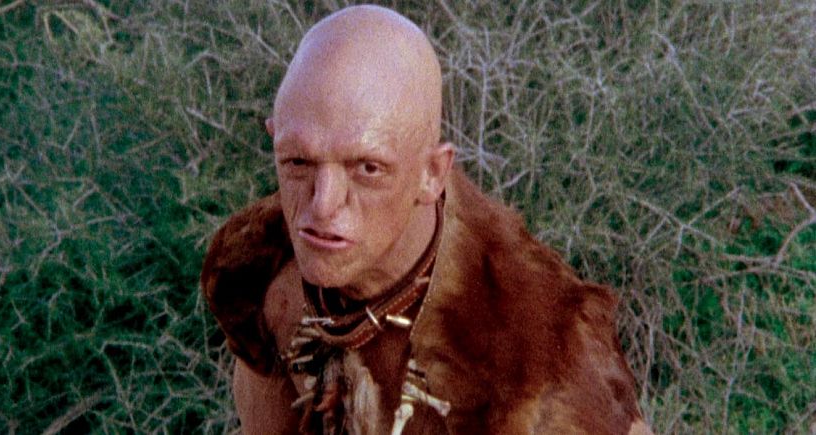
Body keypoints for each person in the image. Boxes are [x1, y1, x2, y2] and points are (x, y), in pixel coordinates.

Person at [201, 5, 652, 434]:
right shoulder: (259, 268)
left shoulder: (541, 378)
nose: (322, 206)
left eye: (368, 168)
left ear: (432, 173)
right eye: (298, 161)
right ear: (275, 138)